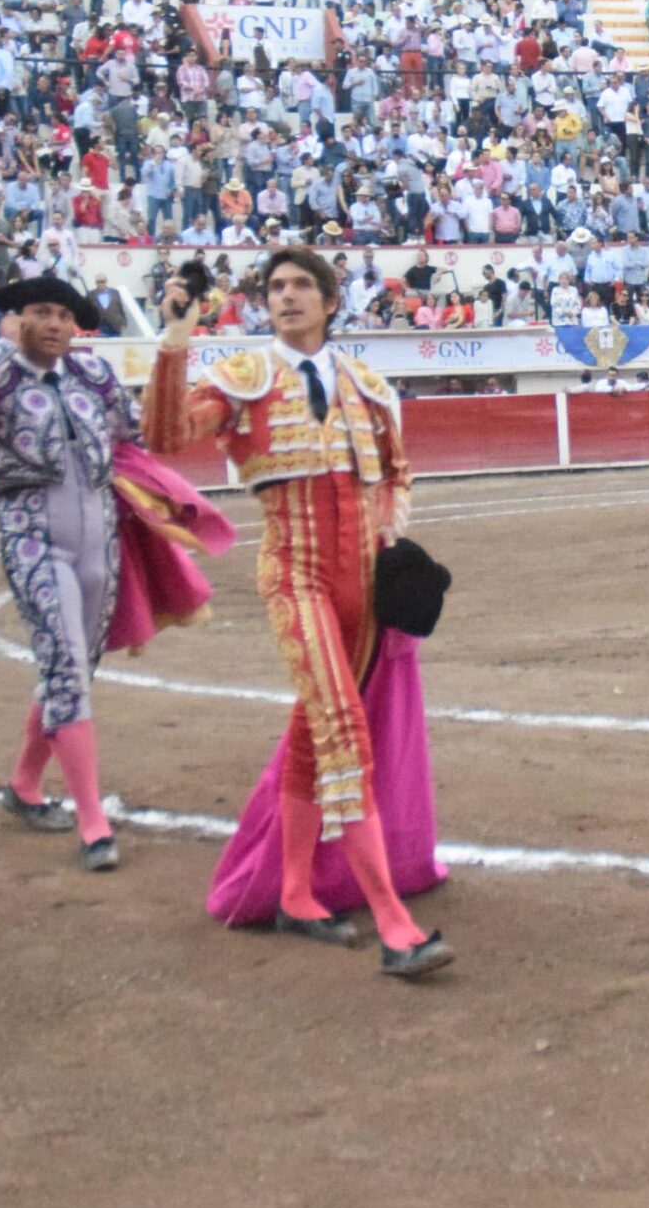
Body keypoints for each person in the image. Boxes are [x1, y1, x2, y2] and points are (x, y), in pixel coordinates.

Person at [147, 248, 454, 978]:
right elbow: (165, 437)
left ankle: (292, 890)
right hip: (296, 573)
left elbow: (397, 470)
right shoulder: (246, 378)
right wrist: (174, 339)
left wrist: (392, 533)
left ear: (327, 299)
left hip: (360, 583)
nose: (285, 296)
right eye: (274, 287)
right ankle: (393, 923)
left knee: (313, 734)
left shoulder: (367, 385)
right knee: (344, 731)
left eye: (299, 285)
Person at [0, 277, 139, 873]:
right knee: (67, 663)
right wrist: (2, 348)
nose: (53, 324)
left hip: (100, 538)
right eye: (39, 313)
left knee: (74, 666)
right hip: (33, 536)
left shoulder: (92, 376)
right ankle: (91, 821)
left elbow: (138, 432)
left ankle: (24, 785)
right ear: (17, 319)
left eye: (63, 316)